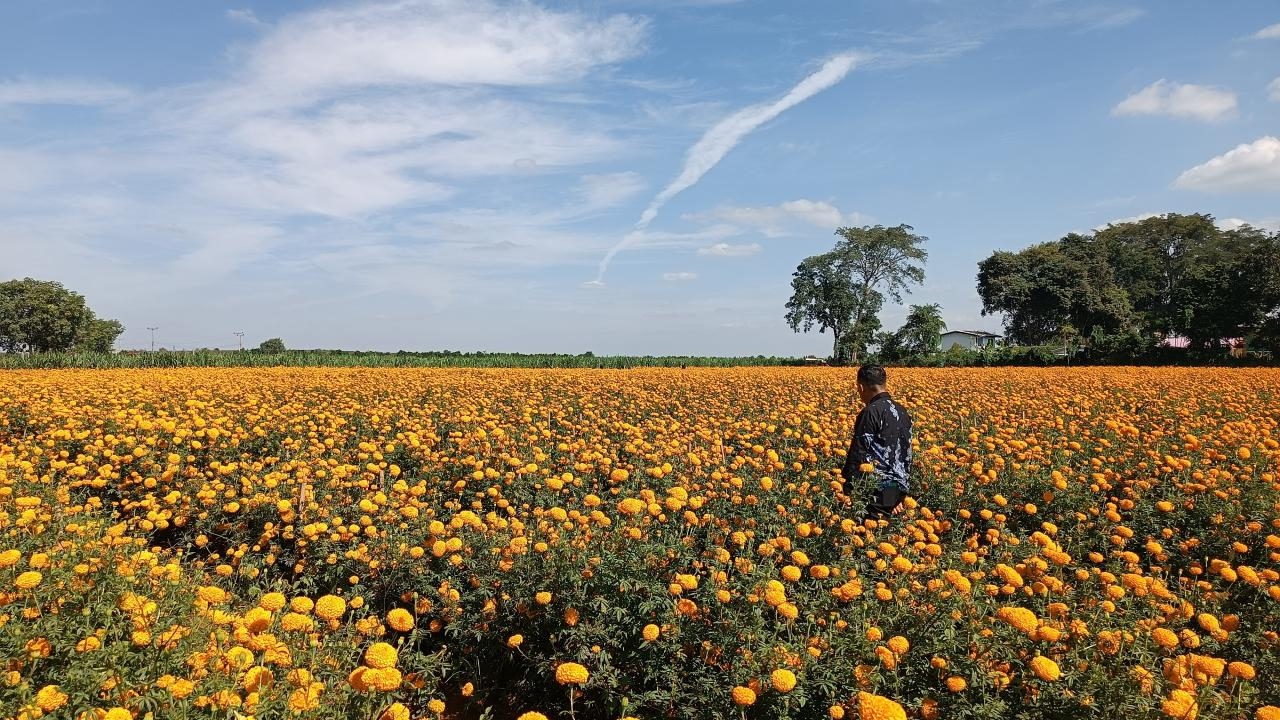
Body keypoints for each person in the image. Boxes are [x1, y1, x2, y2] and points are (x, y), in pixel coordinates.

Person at [840, 364, 913, 518]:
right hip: (896, 492)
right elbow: (907, 455)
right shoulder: (902, 411)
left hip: (873, 491)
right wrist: (901, 495)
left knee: (865, 535)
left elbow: (859, 452)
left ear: (861, 387)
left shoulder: (871, 412)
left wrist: (847, 489)